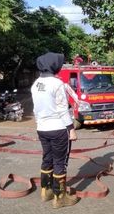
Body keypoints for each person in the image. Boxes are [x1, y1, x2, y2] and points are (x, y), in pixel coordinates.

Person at [31, 52, 79, 209]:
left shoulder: (36, 84)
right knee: (60, 162)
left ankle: (46, 191)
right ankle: (60, 198)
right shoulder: (57, 84)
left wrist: (39, 123)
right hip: (57, 128)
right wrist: (71, 129)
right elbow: (62, 110)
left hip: (42, 129)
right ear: (54, 65)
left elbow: (36, 109)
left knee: (47, 159)